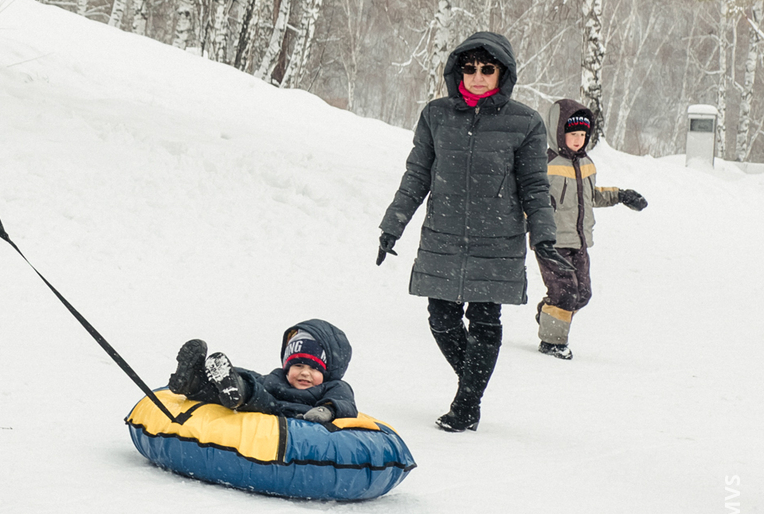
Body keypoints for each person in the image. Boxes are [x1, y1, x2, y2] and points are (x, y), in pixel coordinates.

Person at [377, 32, 561, 432]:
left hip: (497, 239)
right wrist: (392, 225)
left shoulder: (526, 123)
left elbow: (534, 186)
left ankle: (467, 405)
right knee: (440, 316)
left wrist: (544, 237)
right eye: (470, 68)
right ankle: (472, 385)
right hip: (442, 233)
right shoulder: (435, 115)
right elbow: (416, 176)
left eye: (487, 69)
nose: (477, 76)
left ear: (503, 73)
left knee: (484, 319)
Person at [535, 100, 649, 359]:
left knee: (582, 293)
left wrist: (621, 195)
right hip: (551, 242)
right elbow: (527, 199)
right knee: (565, 292)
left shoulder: (587, 164)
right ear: (558, 132)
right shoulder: (545, 164)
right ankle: (551, 343)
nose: (578, 140)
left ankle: (548, 316)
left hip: (579, 241)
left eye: (583, 135)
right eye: (572, 134)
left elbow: (591, 196)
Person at [166, 321, 359, 424]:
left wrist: (327, 410)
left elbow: (345, 404)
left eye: (314, 368)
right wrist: (238, 376)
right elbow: (259, 382)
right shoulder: (278, 379)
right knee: (251, 386)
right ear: (287, 366)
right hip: (268, 407)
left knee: (256, 398)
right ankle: (195, 383)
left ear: (328, 372)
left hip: (296, 415)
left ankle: (235, 392)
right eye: (298, 365)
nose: (305, 373)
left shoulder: (334, 386)